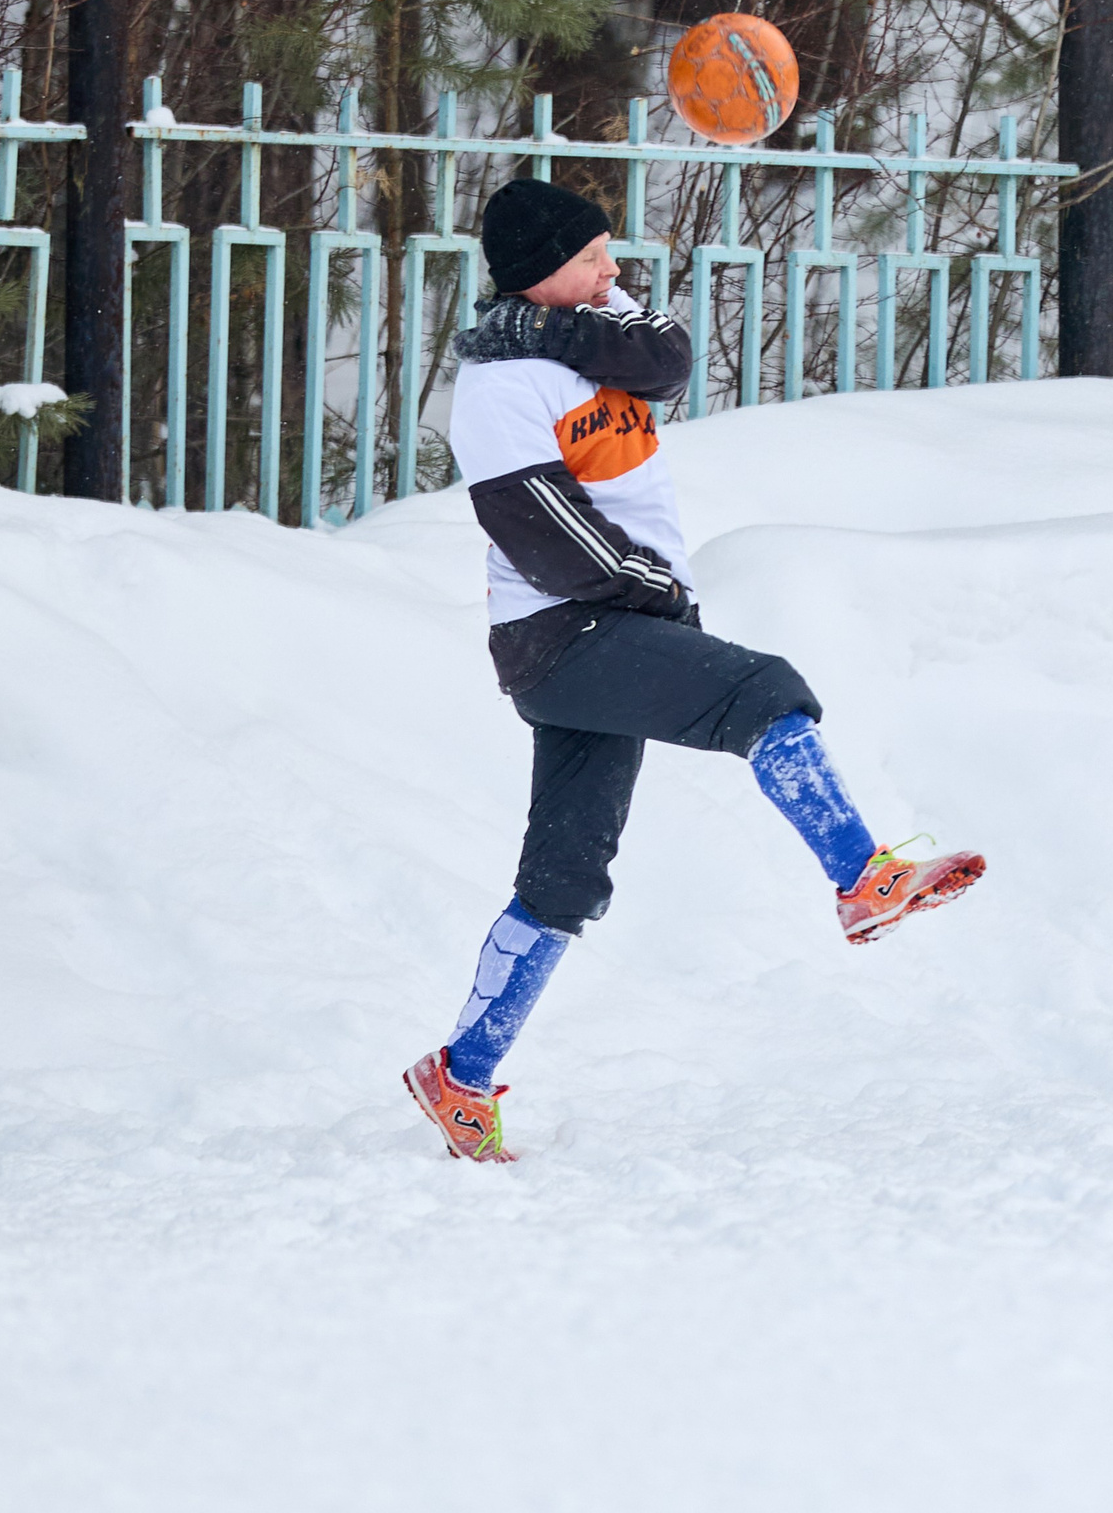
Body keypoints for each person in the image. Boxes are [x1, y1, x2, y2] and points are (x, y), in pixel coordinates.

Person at [402, 177, 985, 1163]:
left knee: (565, 876)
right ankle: (861, 874)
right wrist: (649, 587)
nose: (613, 269)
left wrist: (604, 300)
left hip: (613, 619)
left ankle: (460, 1073)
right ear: (541, 274)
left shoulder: (592, 332)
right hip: (567, 629)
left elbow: (666, 362)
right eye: (591, 257)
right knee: (760, 690)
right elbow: (537, 530)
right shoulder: (503, 380)